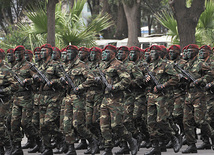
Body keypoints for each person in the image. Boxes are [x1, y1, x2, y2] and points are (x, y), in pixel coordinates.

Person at [99, 44, 138, 155]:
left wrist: (115, 87)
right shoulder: (103, 66)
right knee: (104, 126)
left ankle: (131, 140)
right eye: (104, 52)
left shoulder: (118, 65)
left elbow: (126, 79)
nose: (104, 54)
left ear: (112, 54)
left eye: (106, 52)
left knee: (116, 125)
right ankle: (108, 149)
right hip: (105, 99)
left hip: (116, 99)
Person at [145, 45, 181, 155]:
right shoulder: (150, 66)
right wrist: (147, 79)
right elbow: (148, 79)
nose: (151, 54)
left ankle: (173, 136)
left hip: (163, 96)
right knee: (150, 122)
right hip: (152, 96)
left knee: (161, 120)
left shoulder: (166, 65)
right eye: (150, 52)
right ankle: (155, 146)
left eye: (154, 52)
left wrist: (163, 85)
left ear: (159, 53)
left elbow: (175, 78)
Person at [182, 44, 214, 153]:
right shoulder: (186, 65)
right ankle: (191, 145)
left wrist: (201, 80)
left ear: (195, 52)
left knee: (200, 121)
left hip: (199, 95)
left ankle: (212, 137)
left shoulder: (200, 64)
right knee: (186, 121)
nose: (188, 53)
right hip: (188, 95)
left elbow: (211, 73)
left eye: (190, 51)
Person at [11, 45, 37, 155]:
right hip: (16, 98)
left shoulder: (29, 66)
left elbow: (37, 78)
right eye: (15, 53)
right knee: (14, 123)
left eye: (18, 53)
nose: (16, 55)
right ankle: (17, 147)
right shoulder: (14, 67)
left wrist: (28, 81)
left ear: (23, 53)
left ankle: (37, 140)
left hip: (27, 98)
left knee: (26, 123)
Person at [0, 49, 17, 155]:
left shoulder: (6, 69)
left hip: (4, 101)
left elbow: (16, 85)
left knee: (1, 125)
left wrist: (4, 90)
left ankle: (8, 146)